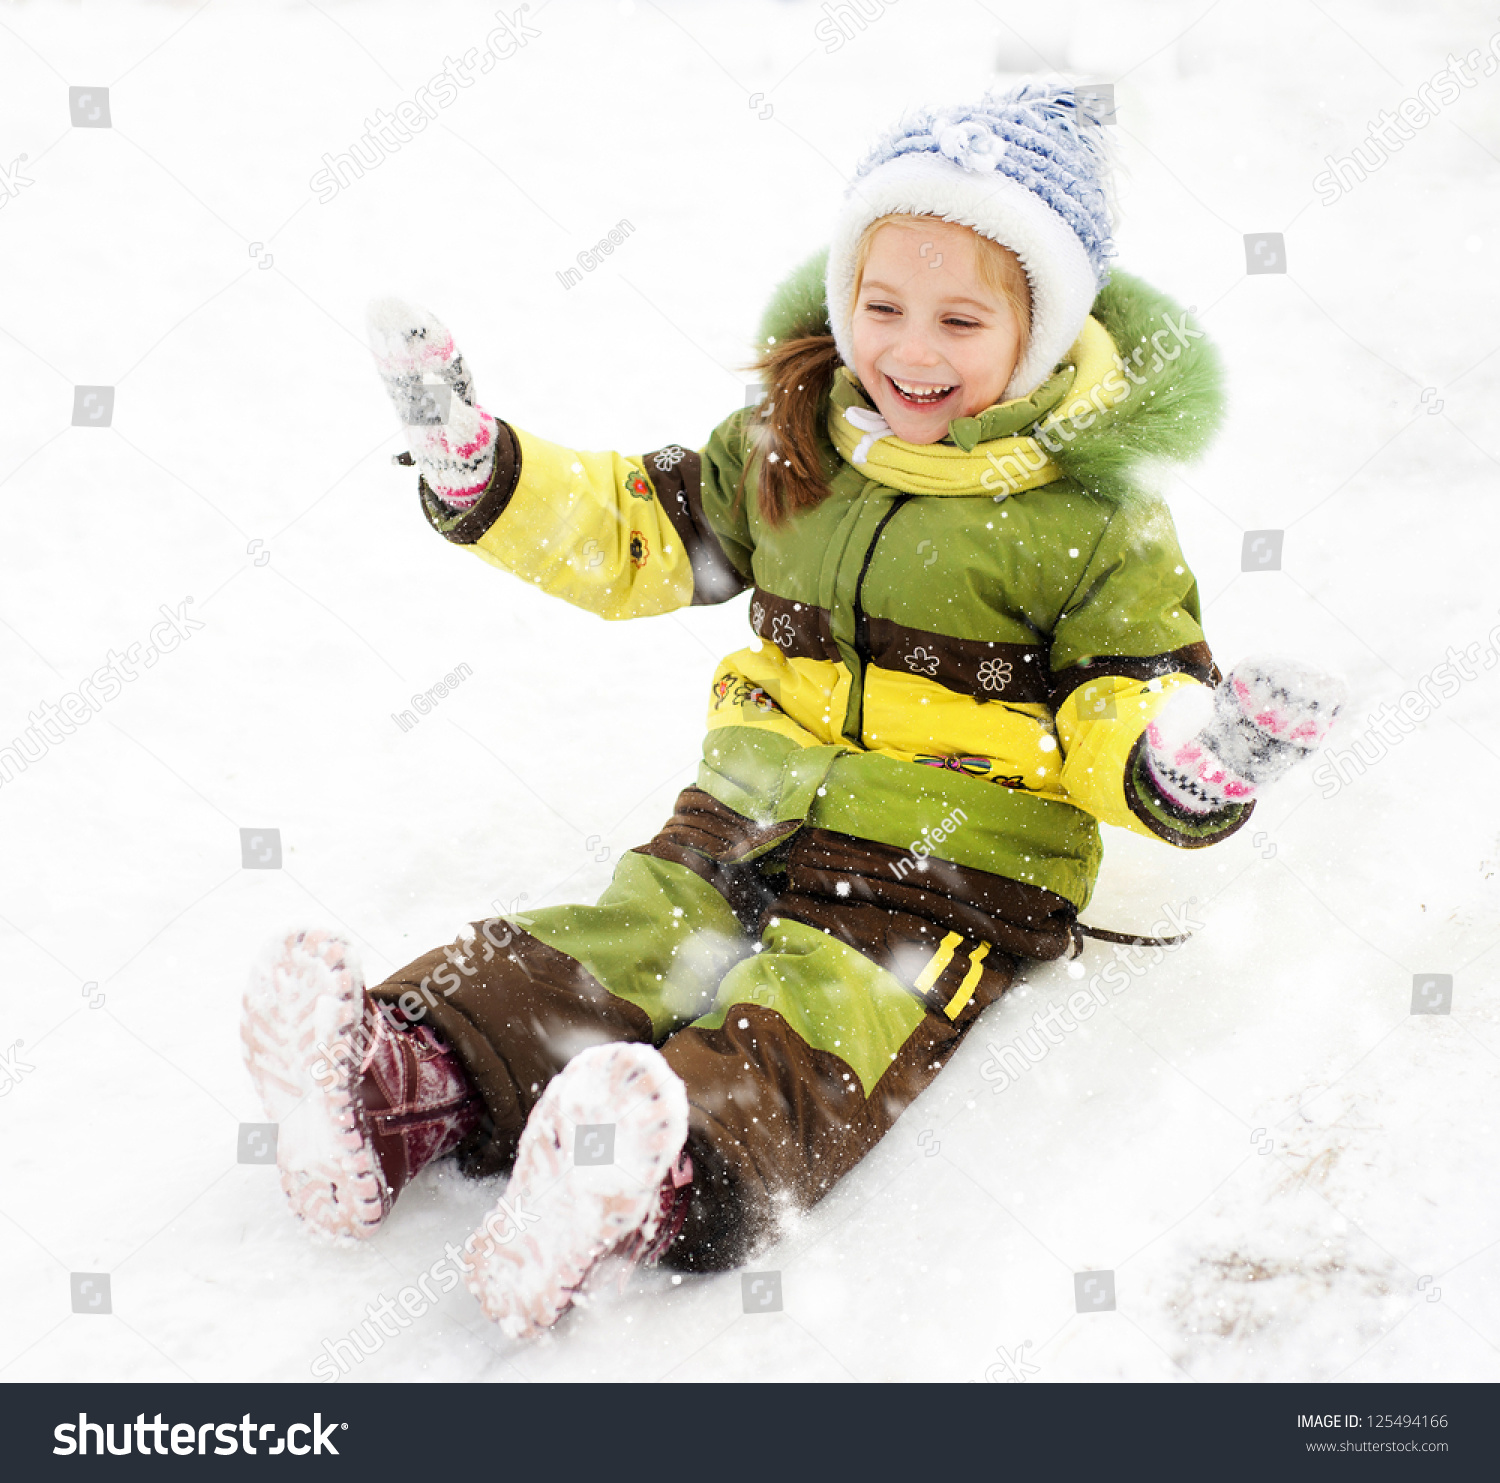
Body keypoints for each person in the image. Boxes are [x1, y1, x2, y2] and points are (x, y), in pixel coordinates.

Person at [241, 81, 1344, 1341]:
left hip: (949, 874)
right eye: (881, 305)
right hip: (746, 813)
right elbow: (641, 534)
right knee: (621, 936)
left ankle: (639, 1182)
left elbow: (1123, 699)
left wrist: (1188, 761)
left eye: (961, 319)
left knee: (823, 1016)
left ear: (1045, 333)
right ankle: (405, 1081)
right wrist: (486, 472)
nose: (910, 350)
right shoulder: (794, 439)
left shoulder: (1093, 521)